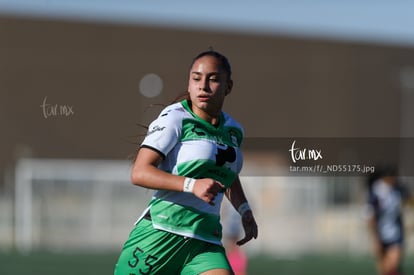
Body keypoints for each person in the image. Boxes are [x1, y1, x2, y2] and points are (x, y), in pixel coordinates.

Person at [114, 50, 258, 275]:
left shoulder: (234, 130)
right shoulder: (175, 118)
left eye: (213, 79)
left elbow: (227, 174)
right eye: (196, 78)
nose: (203, 86)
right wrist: (192, 184)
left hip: (204, 242)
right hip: (160, 236)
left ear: (228, 86)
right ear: (189, 83)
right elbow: (139, 173)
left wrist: (244, 209)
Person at [365, 165, 412, 275]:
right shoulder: (375, 192)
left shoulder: (398, 189)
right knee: (384, 269)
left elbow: (409, 201)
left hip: (396, 233)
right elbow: (370, 216)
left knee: (391, 265)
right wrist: (375, 238)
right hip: (381, 234)